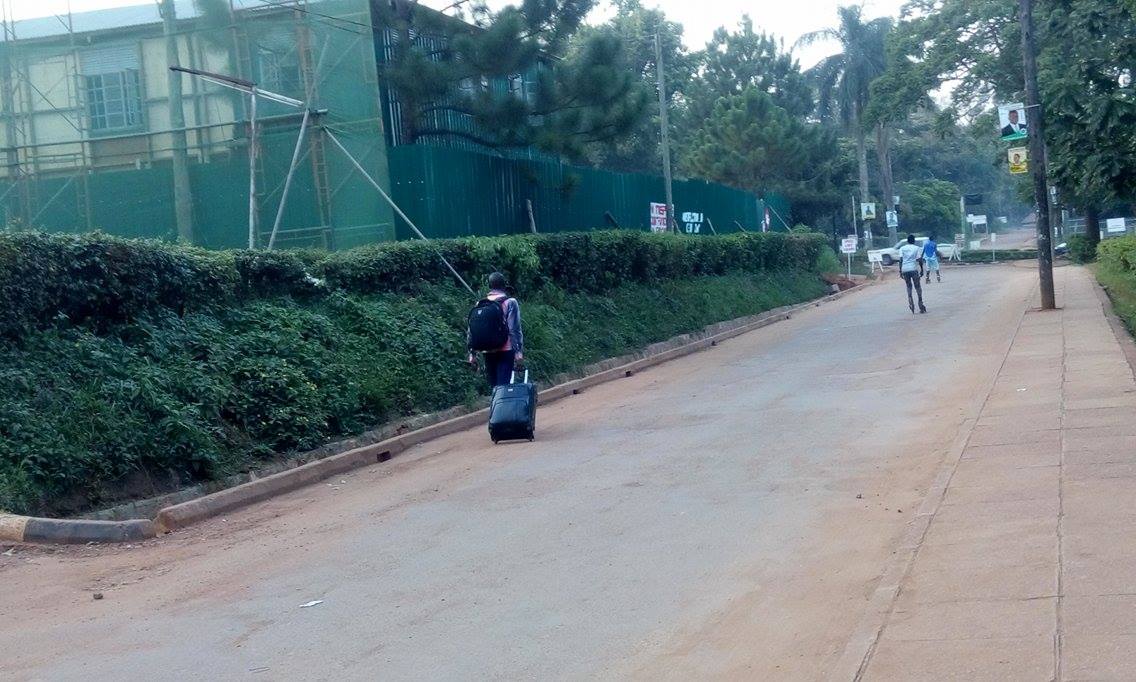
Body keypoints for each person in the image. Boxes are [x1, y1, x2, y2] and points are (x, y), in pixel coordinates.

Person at [468, 272, 524, 389]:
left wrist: (471, 354)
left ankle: (495, 407)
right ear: (504, 286)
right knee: (503, 387)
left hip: (487, 350)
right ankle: (502, 407)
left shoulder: (480, 304)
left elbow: (471, 331)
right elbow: (514, 329)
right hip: (505, 349)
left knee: (494, 387)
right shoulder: (510, 302)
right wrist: (518, 352)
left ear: (490, 286)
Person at [899, 234, 927, 314]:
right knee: (917, 286)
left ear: (907, 241)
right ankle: (920, 303)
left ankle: (910, 299)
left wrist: (900, 271)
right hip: (913, 269)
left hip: (905, 269)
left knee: (908, 286)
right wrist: (921, 269)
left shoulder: (902, 248)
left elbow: (900, 260)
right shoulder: (916, 248)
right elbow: (919, 259)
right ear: (914, 241)